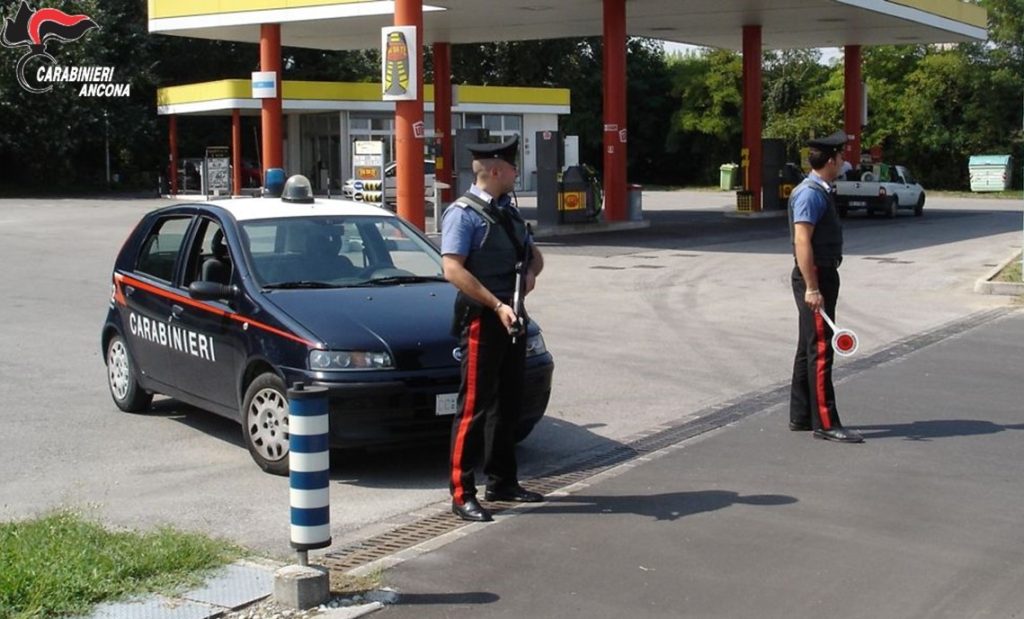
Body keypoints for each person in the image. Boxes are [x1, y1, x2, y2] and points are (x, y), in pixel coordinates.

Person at [440, 135, 546, 522]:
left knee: (508, 403)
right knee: (473, 407)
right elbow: (452, 268)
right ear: (497, 170)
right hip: (483, 320)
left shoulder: (509, 213)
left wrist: (530, 273)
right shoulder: (462, 214)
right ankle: (461, 491)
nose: (518, 173)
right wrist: (497, 304)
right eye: (514, 167)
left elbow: (534, 256)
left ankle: (502, 480)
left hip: (511, 317)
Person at [787, 130, 864, 444]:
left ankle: (801, 415)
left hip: (819, 273)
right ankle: (826, 421)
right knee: (821, 348)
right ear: (831, 160)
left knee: (808, 345)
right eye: (842, 156)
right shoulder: (809, 194)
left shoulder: (819, 190)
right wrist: (812, 287)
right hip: (815, 274)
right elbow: (802, 239)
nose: (844, 161)